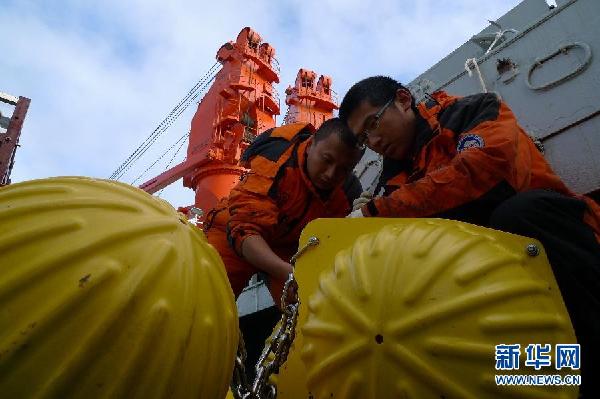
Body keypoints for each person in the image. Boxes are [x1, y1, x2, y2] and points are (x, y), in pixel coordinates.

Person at [339, 75, 600, 397]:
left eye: (373, 123)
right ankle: (541, 380)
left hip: (551, 249)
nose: (374, 141)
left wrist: (376, 212)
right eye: (364, 138)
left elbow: (482, 173)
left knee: (518, 212)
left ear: (404, 100)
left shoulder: (475, 110)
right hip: (487, 295)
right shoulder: (391, 180)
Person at [204, 118, 363, 304]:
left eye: (343, 170)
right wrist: (288, 273)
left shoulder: (348, 193)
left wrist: (361, 218)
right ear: (311, 144)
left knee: (309, 309)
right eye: (326, 160)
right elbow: (243, 229)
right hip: (231, 231)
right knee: (209, 299)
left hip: (289, 249)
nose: (330, 174)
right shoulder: (275, 160)